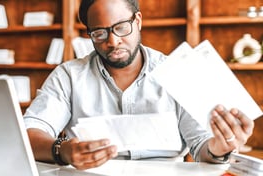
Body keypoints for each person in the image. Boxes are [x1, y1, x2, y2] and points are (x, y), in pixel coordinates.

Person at [23, 0, 254, 170]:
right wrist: (62, 151)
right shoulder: (69, 76)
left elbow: (203, 148)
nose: (113, 42)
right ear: (90, 34)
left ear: (138, 21)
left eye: (122, 27)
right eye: (100, 33)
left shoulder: (177, 72)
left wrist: (220, 146)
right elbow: (28, 134)